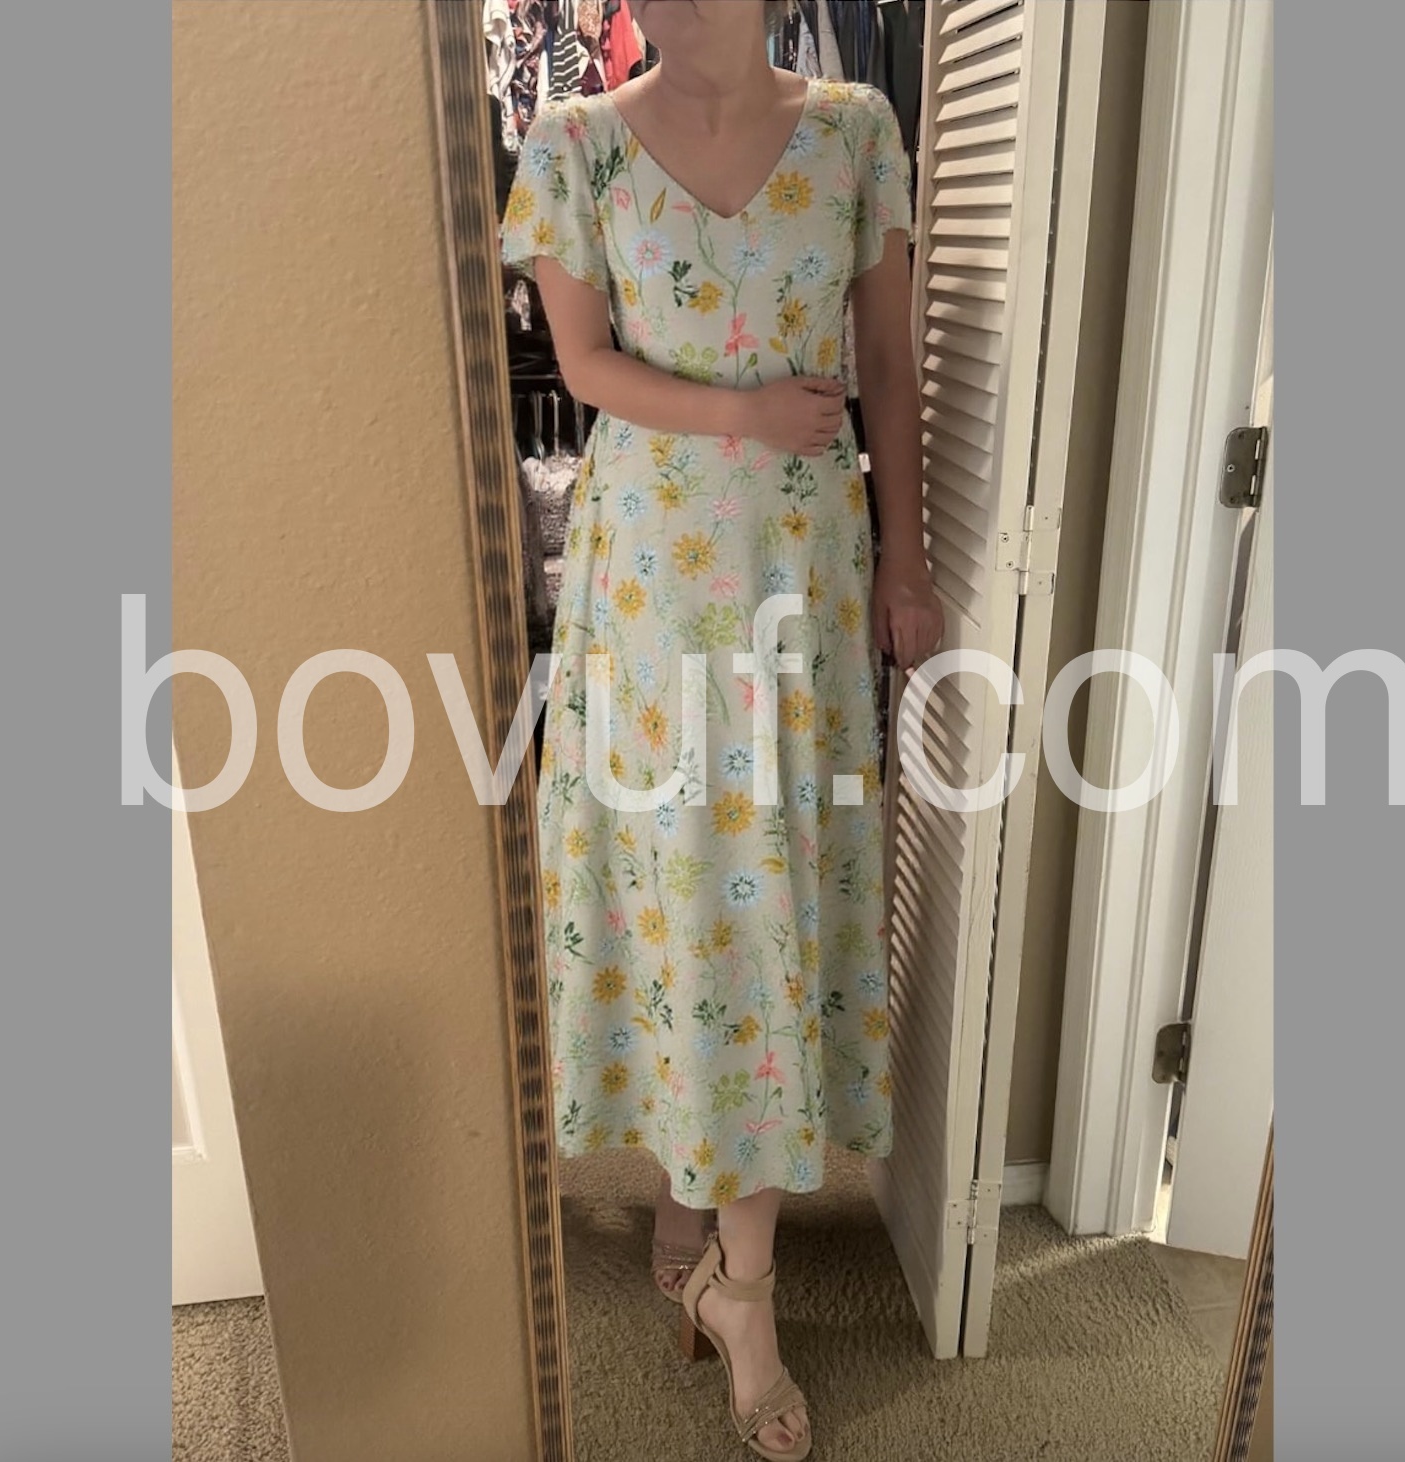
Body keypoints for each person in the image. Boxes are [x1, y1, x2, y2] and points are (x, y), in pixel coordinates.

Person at [500, 1, 942, 1455]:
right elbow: (581, 368)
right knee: (681, 887)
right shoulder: (572, 141)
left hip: (801, 574)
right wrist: (745, 414)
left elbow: (890, 366)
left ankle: (736, 1280)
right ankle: (700, 1209)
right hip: (650, 580)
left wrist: (905, 560)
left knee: (766, 895)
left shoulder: (854, 131)